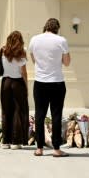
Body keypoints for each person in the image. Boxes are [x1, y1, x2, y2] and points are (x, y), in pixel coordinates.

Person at [29, 18, 70, 157]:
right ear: (57, 28)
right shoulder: (61, 40)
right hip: (57, 82)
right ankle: (57, 149)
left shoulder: (34, 39)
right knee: (56, 116)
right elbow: (67, 62)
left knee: (39, 115)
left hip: (40, 82)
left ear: (45, 26)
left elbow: (33, 59)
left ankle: (39, 148)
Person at [0, 30, 29, 150]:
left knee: (6, 111)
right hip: (17, 83)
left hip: (5, 82)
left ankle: (5, 141)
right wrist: (26, 86)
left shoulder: (3, 50)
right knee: (18, 110)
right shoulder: (22, 52)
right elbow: (23, 72)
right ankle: (16, 142)